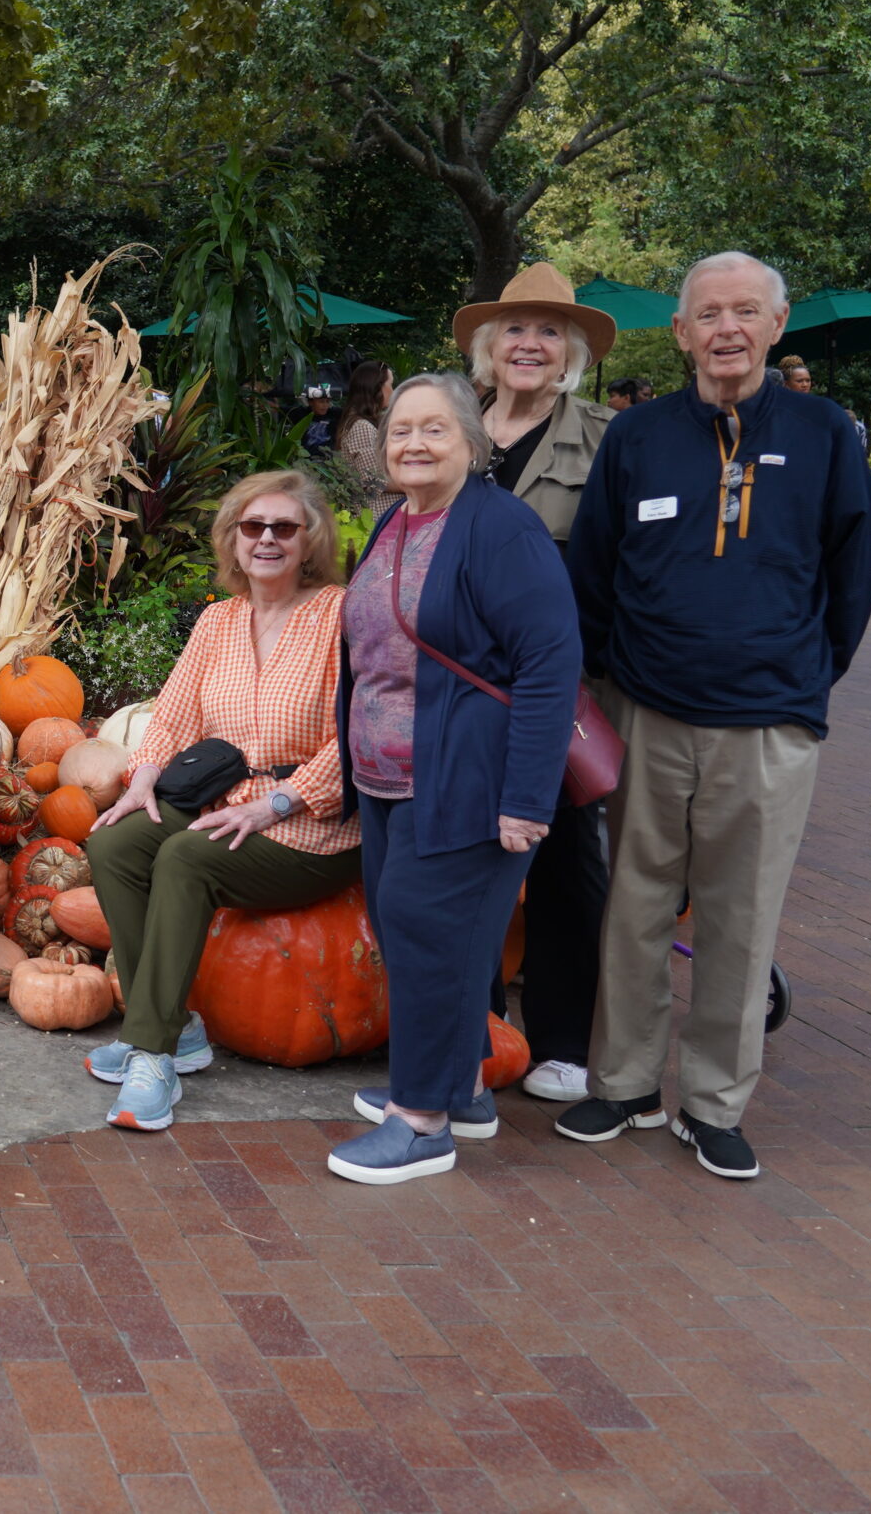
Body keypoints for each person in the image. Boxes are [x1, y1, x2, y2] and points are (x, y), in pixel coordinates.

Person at [560, 252, 871, 1181]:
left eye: (746, 311)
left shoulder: (824, 432)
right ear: (681, 333)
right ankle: (624, 1083)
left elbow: (853, 570)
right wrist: (607, 679)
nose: (727, 328)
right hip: (646, 709)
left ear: (777, 326)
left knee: (741, 918)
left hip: (770, 720)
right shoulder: (637, 435)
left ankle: (711, 1103)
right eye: (708, 313)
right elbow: (594, 568)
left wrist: (809, 678)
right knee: (634, 904)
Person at [327, 373, 580, 1185]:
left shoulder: (502, 529)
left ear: (473, 442)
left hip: (465, 776)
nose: (414, 443)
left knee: (433, 940)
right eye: (401, 429)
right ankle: (461, 1086)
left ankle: (420, 1122)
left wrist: (527, 798)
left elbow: (549, 664)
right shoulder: (396, 519)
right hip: (387, 779)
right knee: (414, 933)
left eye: (435, 429)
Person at [84, 469, 362, 1130]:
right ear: (233, 538)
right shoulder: (219, 620)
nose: (267, 538)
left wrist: (282, 802)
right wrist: (143, 778)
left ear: (310, 539)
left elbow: (360, 733)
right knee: (114, 843)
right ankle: (175, 1027)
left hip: (312, 826)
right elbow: (173, 717)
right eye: (253, 526)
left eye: (284, 527)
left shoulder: (340, 615)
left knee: (185, 857)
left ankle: (151, 1053)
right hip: (225, 800)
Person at [457, 263, 617, 1105]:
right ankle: (475, 1031)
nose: (530, 344)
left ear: (571, 354)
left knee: (563, 857)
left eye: (550, 332)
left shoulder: (606, 439)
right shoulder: (452, 427)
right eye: (515, 328)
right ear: (489, 346)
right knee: (464, 855)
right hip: (457, 688)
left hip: (557, 685)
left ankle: (561, 1038)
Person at [335, 361, 394, 488]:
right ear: (377, 387)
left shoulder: (364, 422)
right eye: (390, 384)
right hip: (379, 502)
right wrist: (419, 486)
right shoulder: (362, 427)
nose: (392, 390)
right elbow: (372, 482)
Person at [301, 385, 338, 456]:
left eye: (327, 401)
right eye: (321, 402)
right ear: (310, 402)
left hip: (329, 458)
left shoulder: (334, 414)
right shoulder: (301, 413)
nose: (325, 405)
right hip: (305, 458)